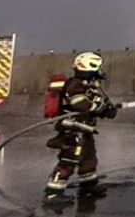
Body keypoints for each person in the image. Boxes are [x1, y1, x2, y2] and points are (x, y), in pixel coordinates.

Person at [42, 51, 121, 205]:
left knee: (88, 159)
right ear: (89, 66)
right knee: (68, 161)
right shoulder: (75, 84)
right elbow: (80, 104)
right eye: (97, 67)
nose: (99, 71)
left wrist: (108, 109)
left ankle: (88, 187)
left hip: (84, 130)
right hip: (73, 130)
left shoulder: (87, 86)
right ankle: (52, 195)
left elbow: (95, 105)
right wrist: (100, 109)